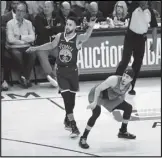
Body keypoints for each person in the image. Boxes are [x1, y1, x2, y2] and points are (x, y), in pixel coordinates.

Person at [26, 12, 97, 138]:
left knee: (72, 102)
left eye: (70, 25)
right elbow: (51, 45)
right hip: (61, 71)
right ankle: (73, 126)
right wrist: (36, 48)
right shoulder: (60, 36)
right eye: (67, 24)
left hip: (73, 72)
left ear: (75, 27)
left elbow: (86, 36)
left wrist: (91, 26)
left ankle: (67, 118)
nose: (67, 27)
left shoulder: (78, 38)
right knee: (66, 100)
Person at [79, 69, 136, 149]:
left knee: (128, 108)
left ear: (131, 79)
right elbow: (98, 89)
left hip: (110, 98)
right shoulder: (113, 80)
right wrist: (95, 102)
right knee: (96, 113)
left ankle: (123, 131)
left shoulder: (129, 87)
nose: (124, 78)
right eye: (123, 75)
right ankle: (83, 138)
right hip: (96, 94)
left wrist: (119, 103)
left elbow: (122, 95)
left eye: (127, 77)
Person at [115, 1, 158, 95]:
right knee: (125, 61)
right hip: (130, 37)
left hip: (141, 39)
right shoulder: (134, 5)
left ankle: (131, 87)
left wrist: (154, 43)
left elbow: (154, 27)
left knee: (137, 63)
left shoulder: (150, 12)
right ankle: (114, 84)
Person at [34, 1, 64, 87]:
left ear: (52, 8)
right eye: (44, 7)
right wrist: (54, 29)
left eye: (48, 7)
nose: (46, 8)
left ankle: (54, 76)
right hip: (42, 45)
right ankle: (52, 76)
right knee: (41, 55)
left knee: (63, 53)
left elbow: (62, 28)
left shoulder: (57, 17)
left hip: (54, 45)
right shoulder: (38, 17)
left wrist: (50, 28)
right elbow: (42, 31)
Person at [6, 3, 36, 88]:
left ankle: (23, 77)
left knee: (33, 54)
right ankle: (25, 78)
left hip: (26, 47)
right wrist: (24, 41)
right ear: (15, 11)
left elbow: (33, 37)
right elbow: (10, 39)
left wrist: (19, 37)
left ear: (25, 13)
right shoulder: (10, 23)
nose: (19, 13)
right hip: (14, 48)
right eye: (18, 10)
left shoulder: (28, 23)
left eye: (22, 11)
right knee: (17, 54)